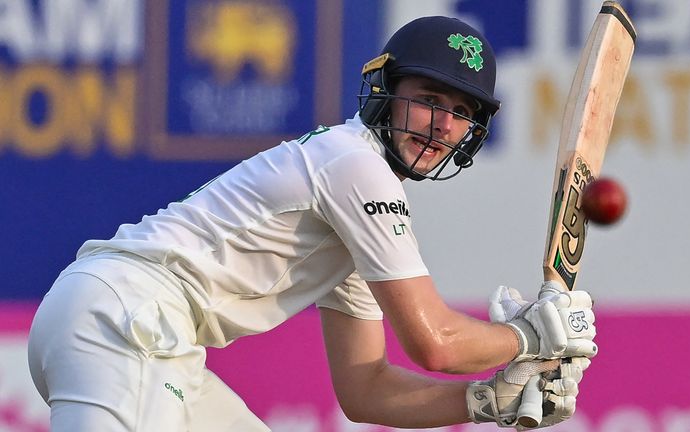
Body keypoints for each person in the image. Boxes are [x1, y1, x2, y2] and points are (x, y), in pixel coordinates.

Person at [27, 16, 597, 431]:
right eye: (429, 99)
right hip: (127, 321)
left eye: (462, 113)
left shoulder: (358, 209)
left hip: (138, 331)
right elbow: (436, 345)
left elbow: (366, 390)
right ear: (385, 92)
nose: (443, 124)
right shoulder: (357, 169)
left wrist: (483, 401)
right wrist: (531, 336)